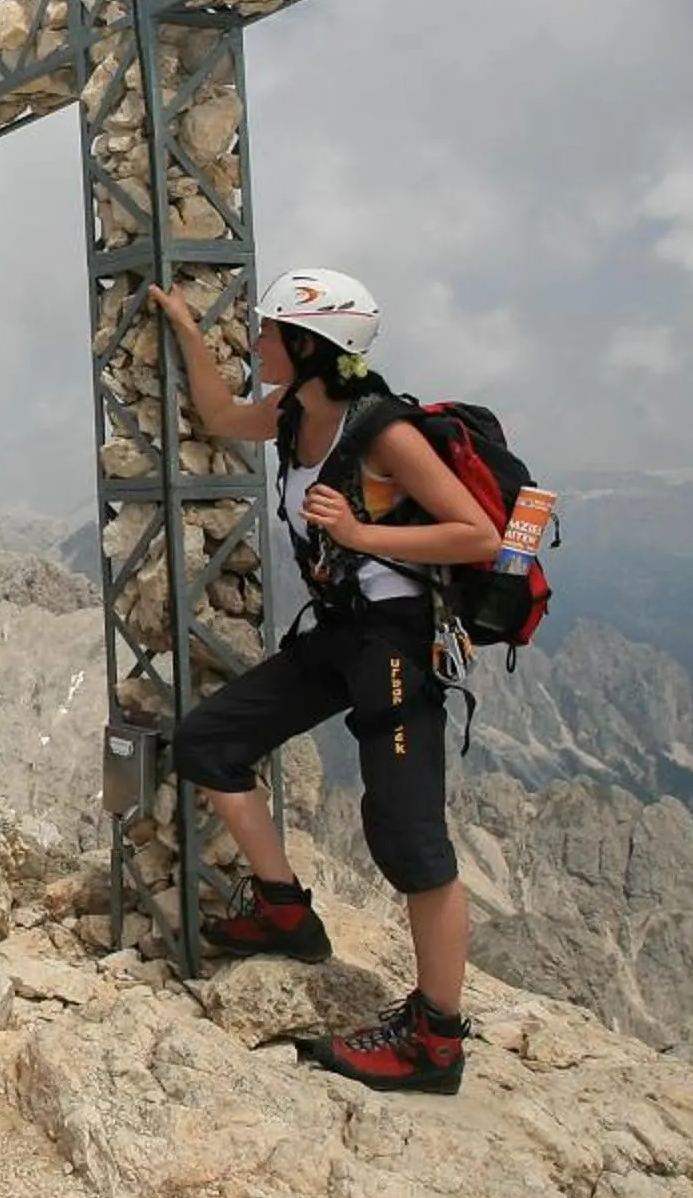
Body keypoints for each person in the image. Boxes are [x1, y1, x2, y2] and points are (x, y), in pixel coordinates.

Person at [146, 267, 500, 1093]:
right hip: (340, 634)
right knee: (209, 742)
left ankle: (436, 1042)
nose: (260, 343)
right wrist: (188, 332)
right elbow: (220, 415)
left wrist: (363, 535)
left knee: (411, 843)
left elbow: (478, 536)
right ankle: (285, 911)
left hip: (397, 647)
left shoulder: (383, 434)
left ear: (312, 344)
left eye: (270, 332)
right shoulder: (294, 412)